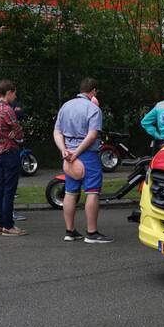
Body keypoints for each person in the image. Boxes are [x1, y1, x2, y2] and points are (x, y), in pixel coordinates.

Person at [53, 77, 111, 244]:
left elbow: (57, 132)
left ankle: (69, 231)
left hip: (68, 155)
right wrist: (77, 152)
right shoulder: (93, 109)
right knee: (92, 192)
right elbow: (92, 135)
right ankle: (91, 233)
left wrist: (64, 150)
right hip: (86, 155)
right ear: (93, 91)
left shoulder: (65, 106)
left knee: (70, 193)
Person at [0, 79, 26, 236]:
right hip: (9, 152)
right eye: (14, 93)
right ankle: (8, 226)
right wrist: (16, 132)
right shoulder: (8, 110)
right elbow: (18, 131)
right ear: (9, 92)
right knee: (9, 191)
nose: (15, 96)